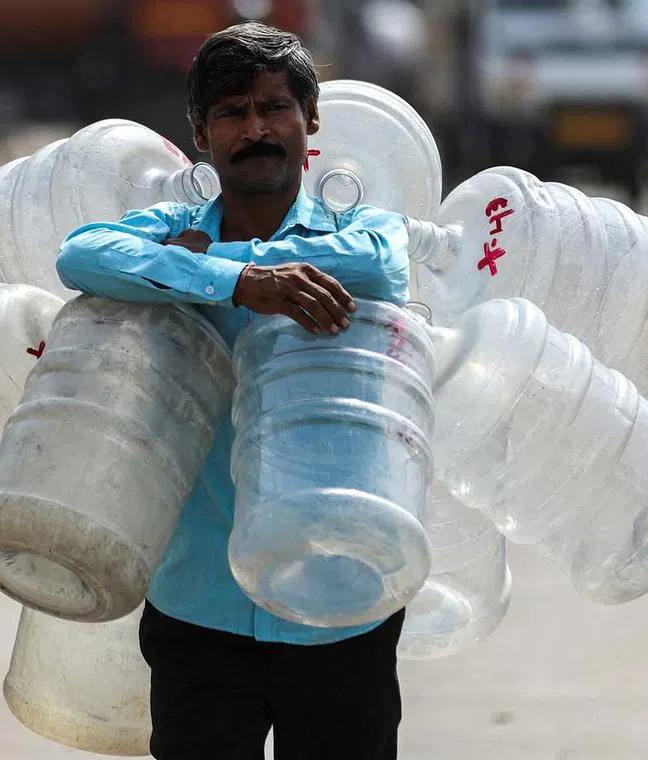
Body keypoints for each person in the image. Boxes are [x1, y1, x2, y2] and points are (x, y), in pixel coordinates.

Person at [56, 22, 411, 760]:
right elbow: (82, 254)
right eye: (231, 112)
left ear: (311, 121)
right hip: (200, 602)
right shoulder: (170, 229)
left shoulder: (364, 233)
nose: (256, 128)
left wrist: (196, 268)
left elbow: (377, 271)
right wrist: (242, 282)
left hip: (337, 599)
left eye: (275, 107)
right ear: (200, 134)